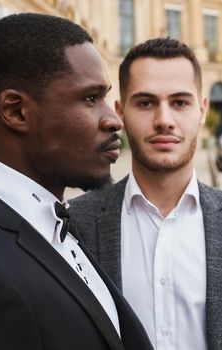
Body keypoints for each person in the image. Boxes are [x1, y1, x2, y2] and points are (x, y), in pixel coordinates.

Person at [0, 13, 154, 350]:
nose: (113, 119)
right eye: (90, 98)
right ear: (16, 111)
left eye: (105, 97)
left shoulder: (54, 221)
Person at [70, 38, 222, 350]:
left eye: (180, 102)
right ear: (120, 113)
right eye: (146, 103)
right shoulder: (73, 225)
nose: (164, 120)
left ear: (202, 111)